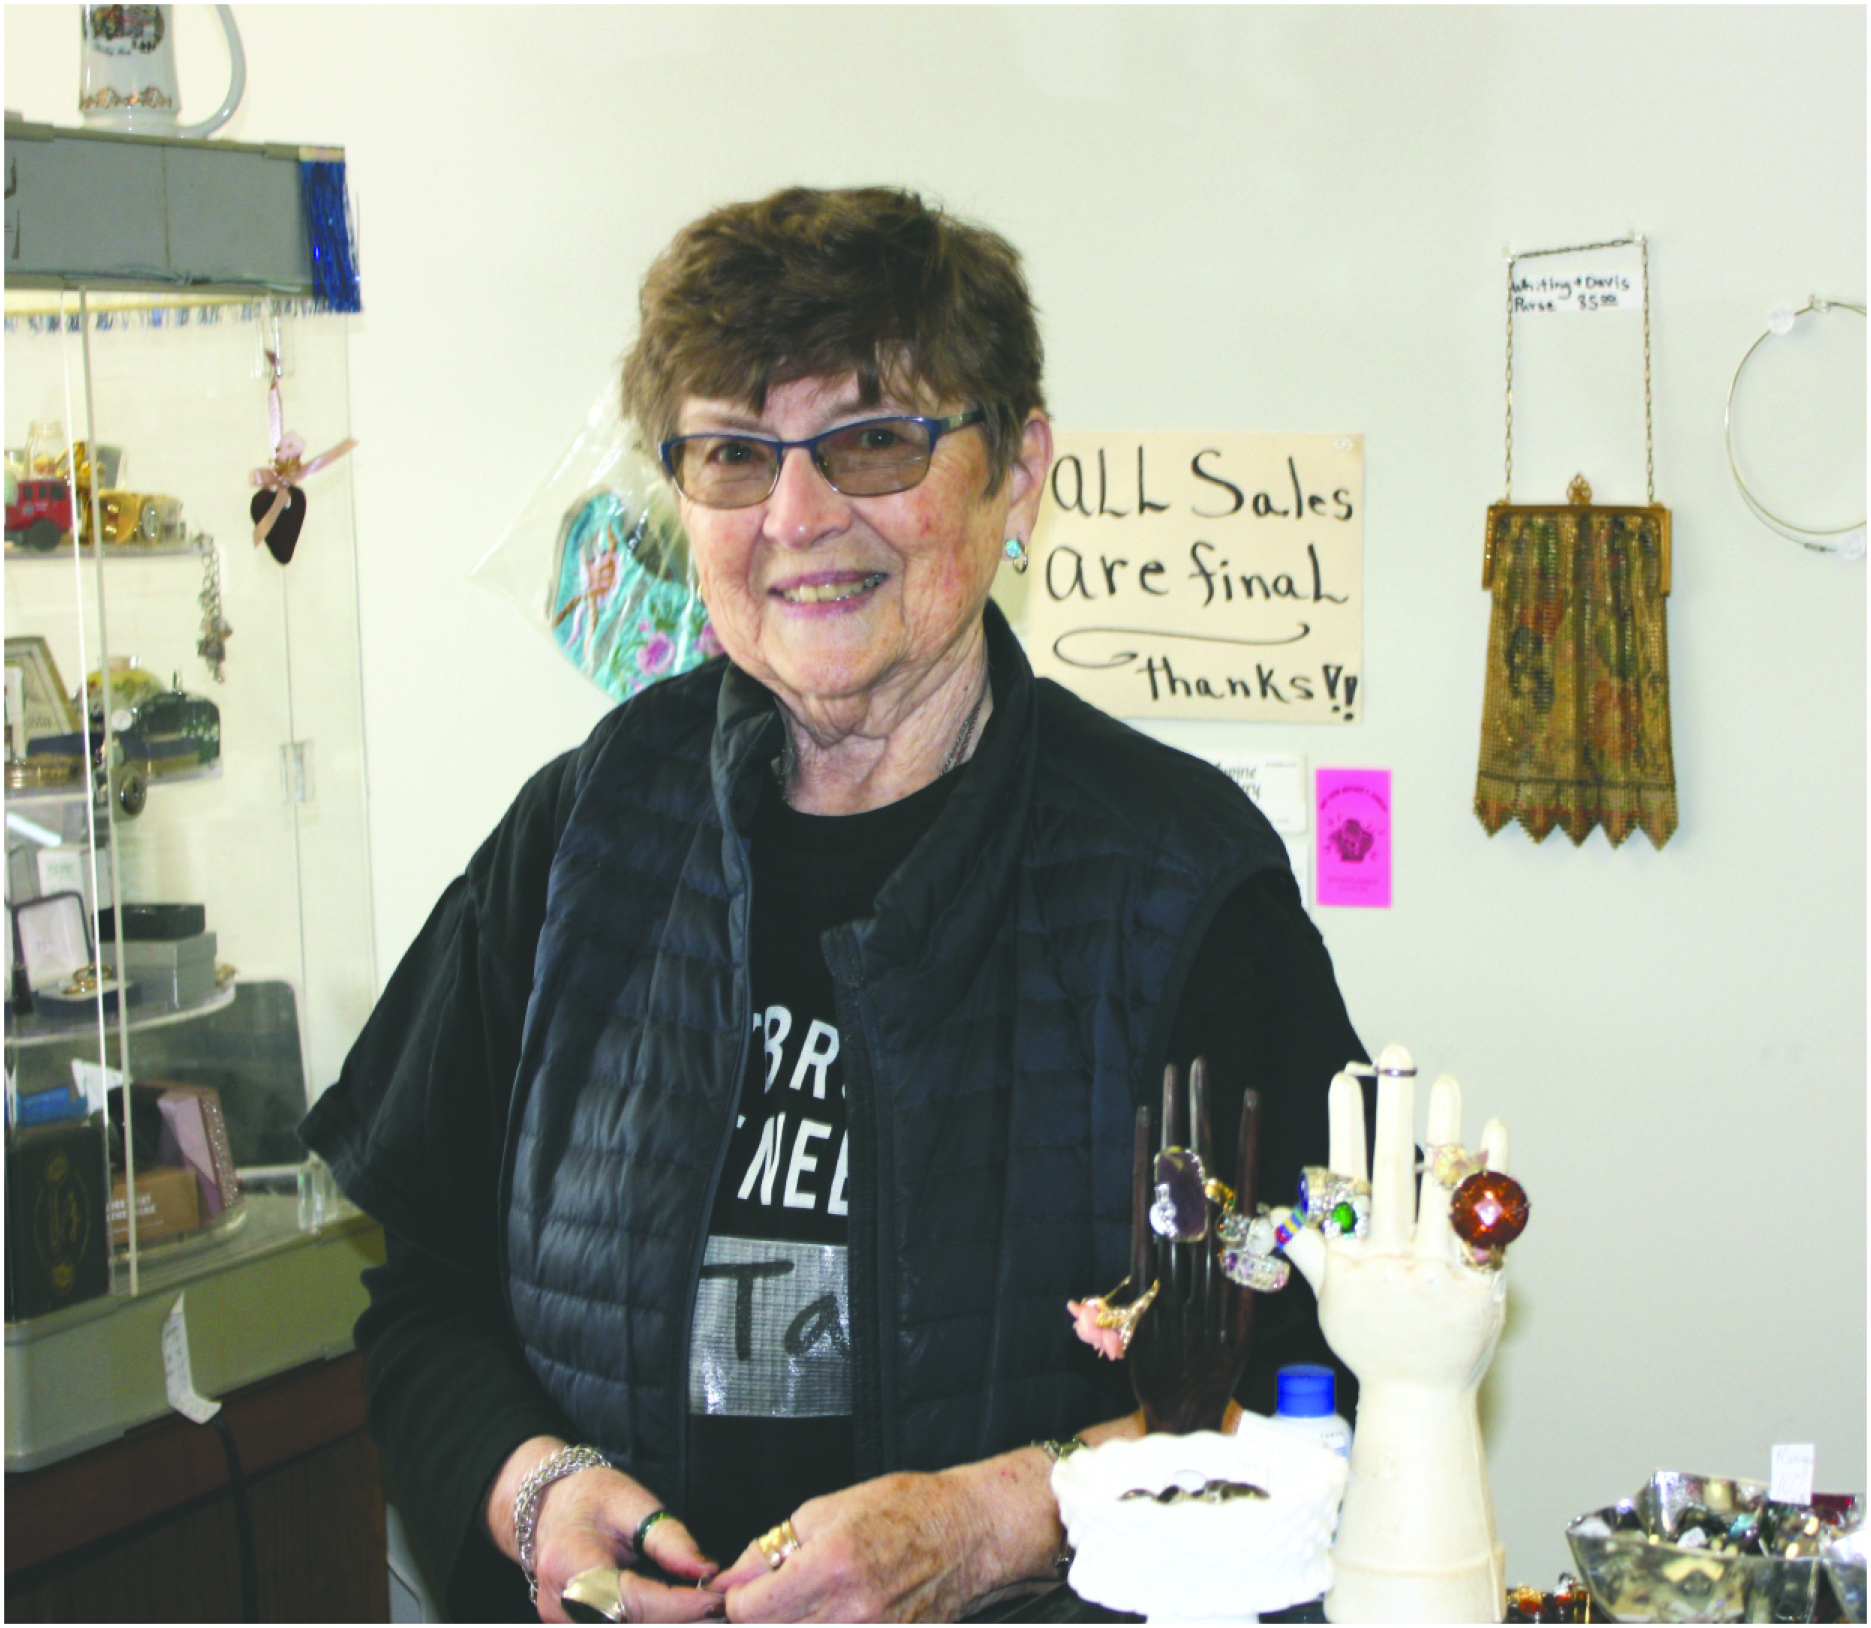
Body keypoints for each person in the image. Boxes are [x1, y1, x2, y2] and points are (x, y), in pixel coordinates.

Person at [300, 185, 1365, 1625]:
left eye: (871, 442)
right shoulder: (581, 834)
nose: (797, 518)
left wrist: (991, 1525)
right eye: (734, 455)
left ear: (1019, 472)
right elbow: (423, 1295)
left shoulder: (1179, 884)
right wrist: (529, 1490)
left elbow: (1312, 1377)